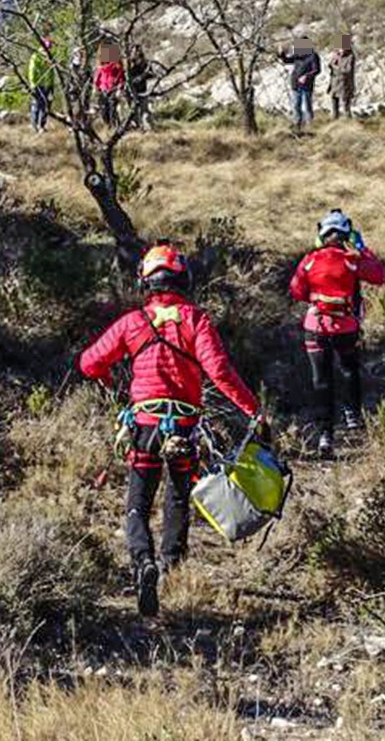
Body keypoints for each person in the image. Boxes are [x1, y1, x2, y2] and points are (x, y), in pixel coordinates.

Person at [79, 243, 264, 617]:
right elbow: (221, 372)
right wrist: (254, 411)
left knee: (137, 503)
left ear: (146, 281)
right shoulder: (195, 320)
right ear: (183, 280)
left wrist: (114, 382)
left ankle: (141, 563)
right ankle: (170, 567)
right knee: (178, 498)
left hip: (144, 425)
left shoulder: (132, 322)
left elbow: (88, 363)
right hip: (183, 427)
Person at [288, 210, 385, 457]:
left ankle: (325, 437)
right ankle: (352, 415)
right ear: (346, 234)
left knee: (321, 382)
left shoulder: (309, 260)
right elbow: (379, 276)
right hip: (346, 328)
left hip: (315, 328)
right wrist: (363, 249)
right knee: (348, 369)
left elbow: (297, 291)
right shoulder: (352, 259)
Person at [280, 38, 320, 130]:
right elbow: (286, 60)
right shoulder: (298, 55)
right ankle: (297, 124)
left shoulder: (313, 56)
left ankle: (310, 125)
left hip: (306, 86)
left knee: (307, 106)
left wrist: (306, 76)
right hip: (295, 84)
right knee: (295, 105)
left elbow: (316, 70)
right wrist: (281, 53)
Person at [26, 36, 58, 132]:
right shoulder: (36, 56)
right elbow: (32, 71)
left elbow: (51, 72)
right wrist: (33, 84)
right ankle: (34, 125)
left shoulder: (50, 57)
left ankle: (42, 125)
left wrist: (52, 84)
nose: (48, 49)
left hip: (48, 85)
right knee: (37, 104)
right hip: (38, 85)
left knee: (46, 105)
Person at [95, 46, 125, 127]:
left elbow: (121, 78)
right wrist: (96, 88)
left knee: (112, 108)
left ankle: (114, 125)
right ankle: (108, 124)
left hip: (113, 90)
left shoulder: (117, 67)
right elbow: (97, 79)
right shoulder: (100, 67)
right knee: (104, 110)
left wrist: (120, 88)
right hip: (103, 90)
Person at [126, 44, 153, 130]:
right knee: (133, 110)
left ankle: (147, 128)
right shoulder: (128, 63)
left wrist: (142, 76)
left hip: (142, 89)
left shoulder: (145, 62)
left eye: (138, 51)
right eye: (134, 51)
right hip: (131, 90)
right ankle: (135, 127)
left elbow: (151, 74)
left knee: (144, 110)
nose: (136, 52)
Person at [330, 35, 356, 119]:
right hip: (335, 83)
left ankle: (349, 123)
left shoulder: (350, 57)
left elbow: (348, 70)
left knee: (346, 106)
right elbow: (330, 66)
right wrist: (335, 59)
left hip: (345, 84)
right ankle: (334, 121)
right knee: (334, 104)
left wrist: (336, 67)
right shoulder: (337, 56)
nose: (340, 49)